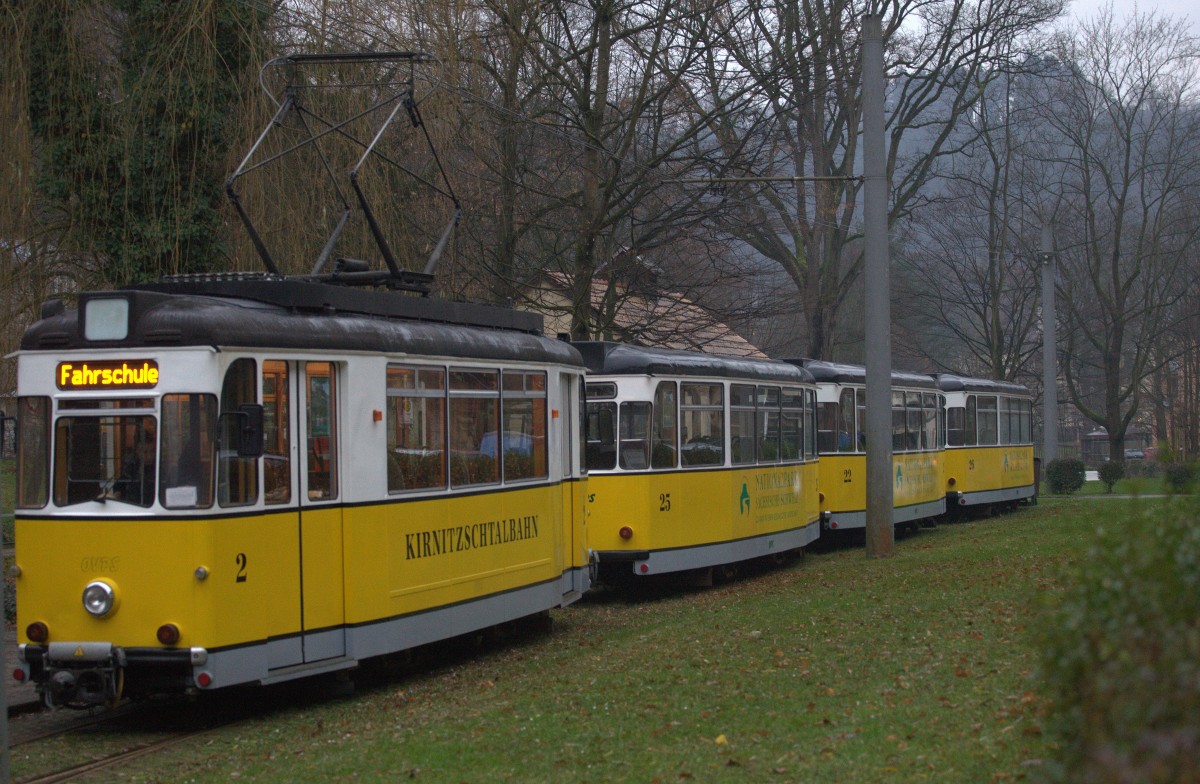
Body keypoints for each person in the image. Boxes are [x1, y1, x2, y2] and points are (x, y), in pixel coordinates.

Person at [115, 434, 156, 505]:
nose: (149, 456)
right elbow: (118, 487)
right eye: (145, 452)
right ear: (138, 452)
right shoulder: (130, 469)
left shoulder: (160, 470)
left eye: (152, 451)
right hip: (133, 507)